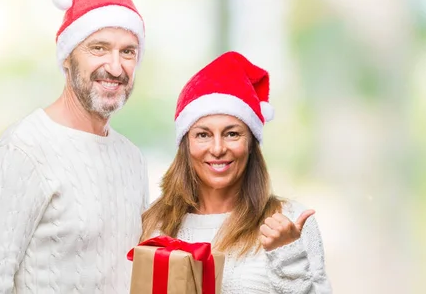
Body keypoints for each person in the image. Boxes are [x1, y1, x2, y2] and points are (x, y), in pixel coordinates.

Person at [0, 0, 149, 292]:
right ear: (66, 56)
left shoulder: (132, 158)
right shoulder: (21, 152)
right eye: (99, 48)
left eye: (128, 52)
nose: (115, 67)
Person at [141, 51, 332, 293]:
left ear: (251, 143)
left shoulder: (290, 222)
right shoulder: (155, 225)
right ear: (186, 144)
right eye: (203, 134)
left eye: (232, 134)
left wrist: (288, 255)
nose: (218, 148)